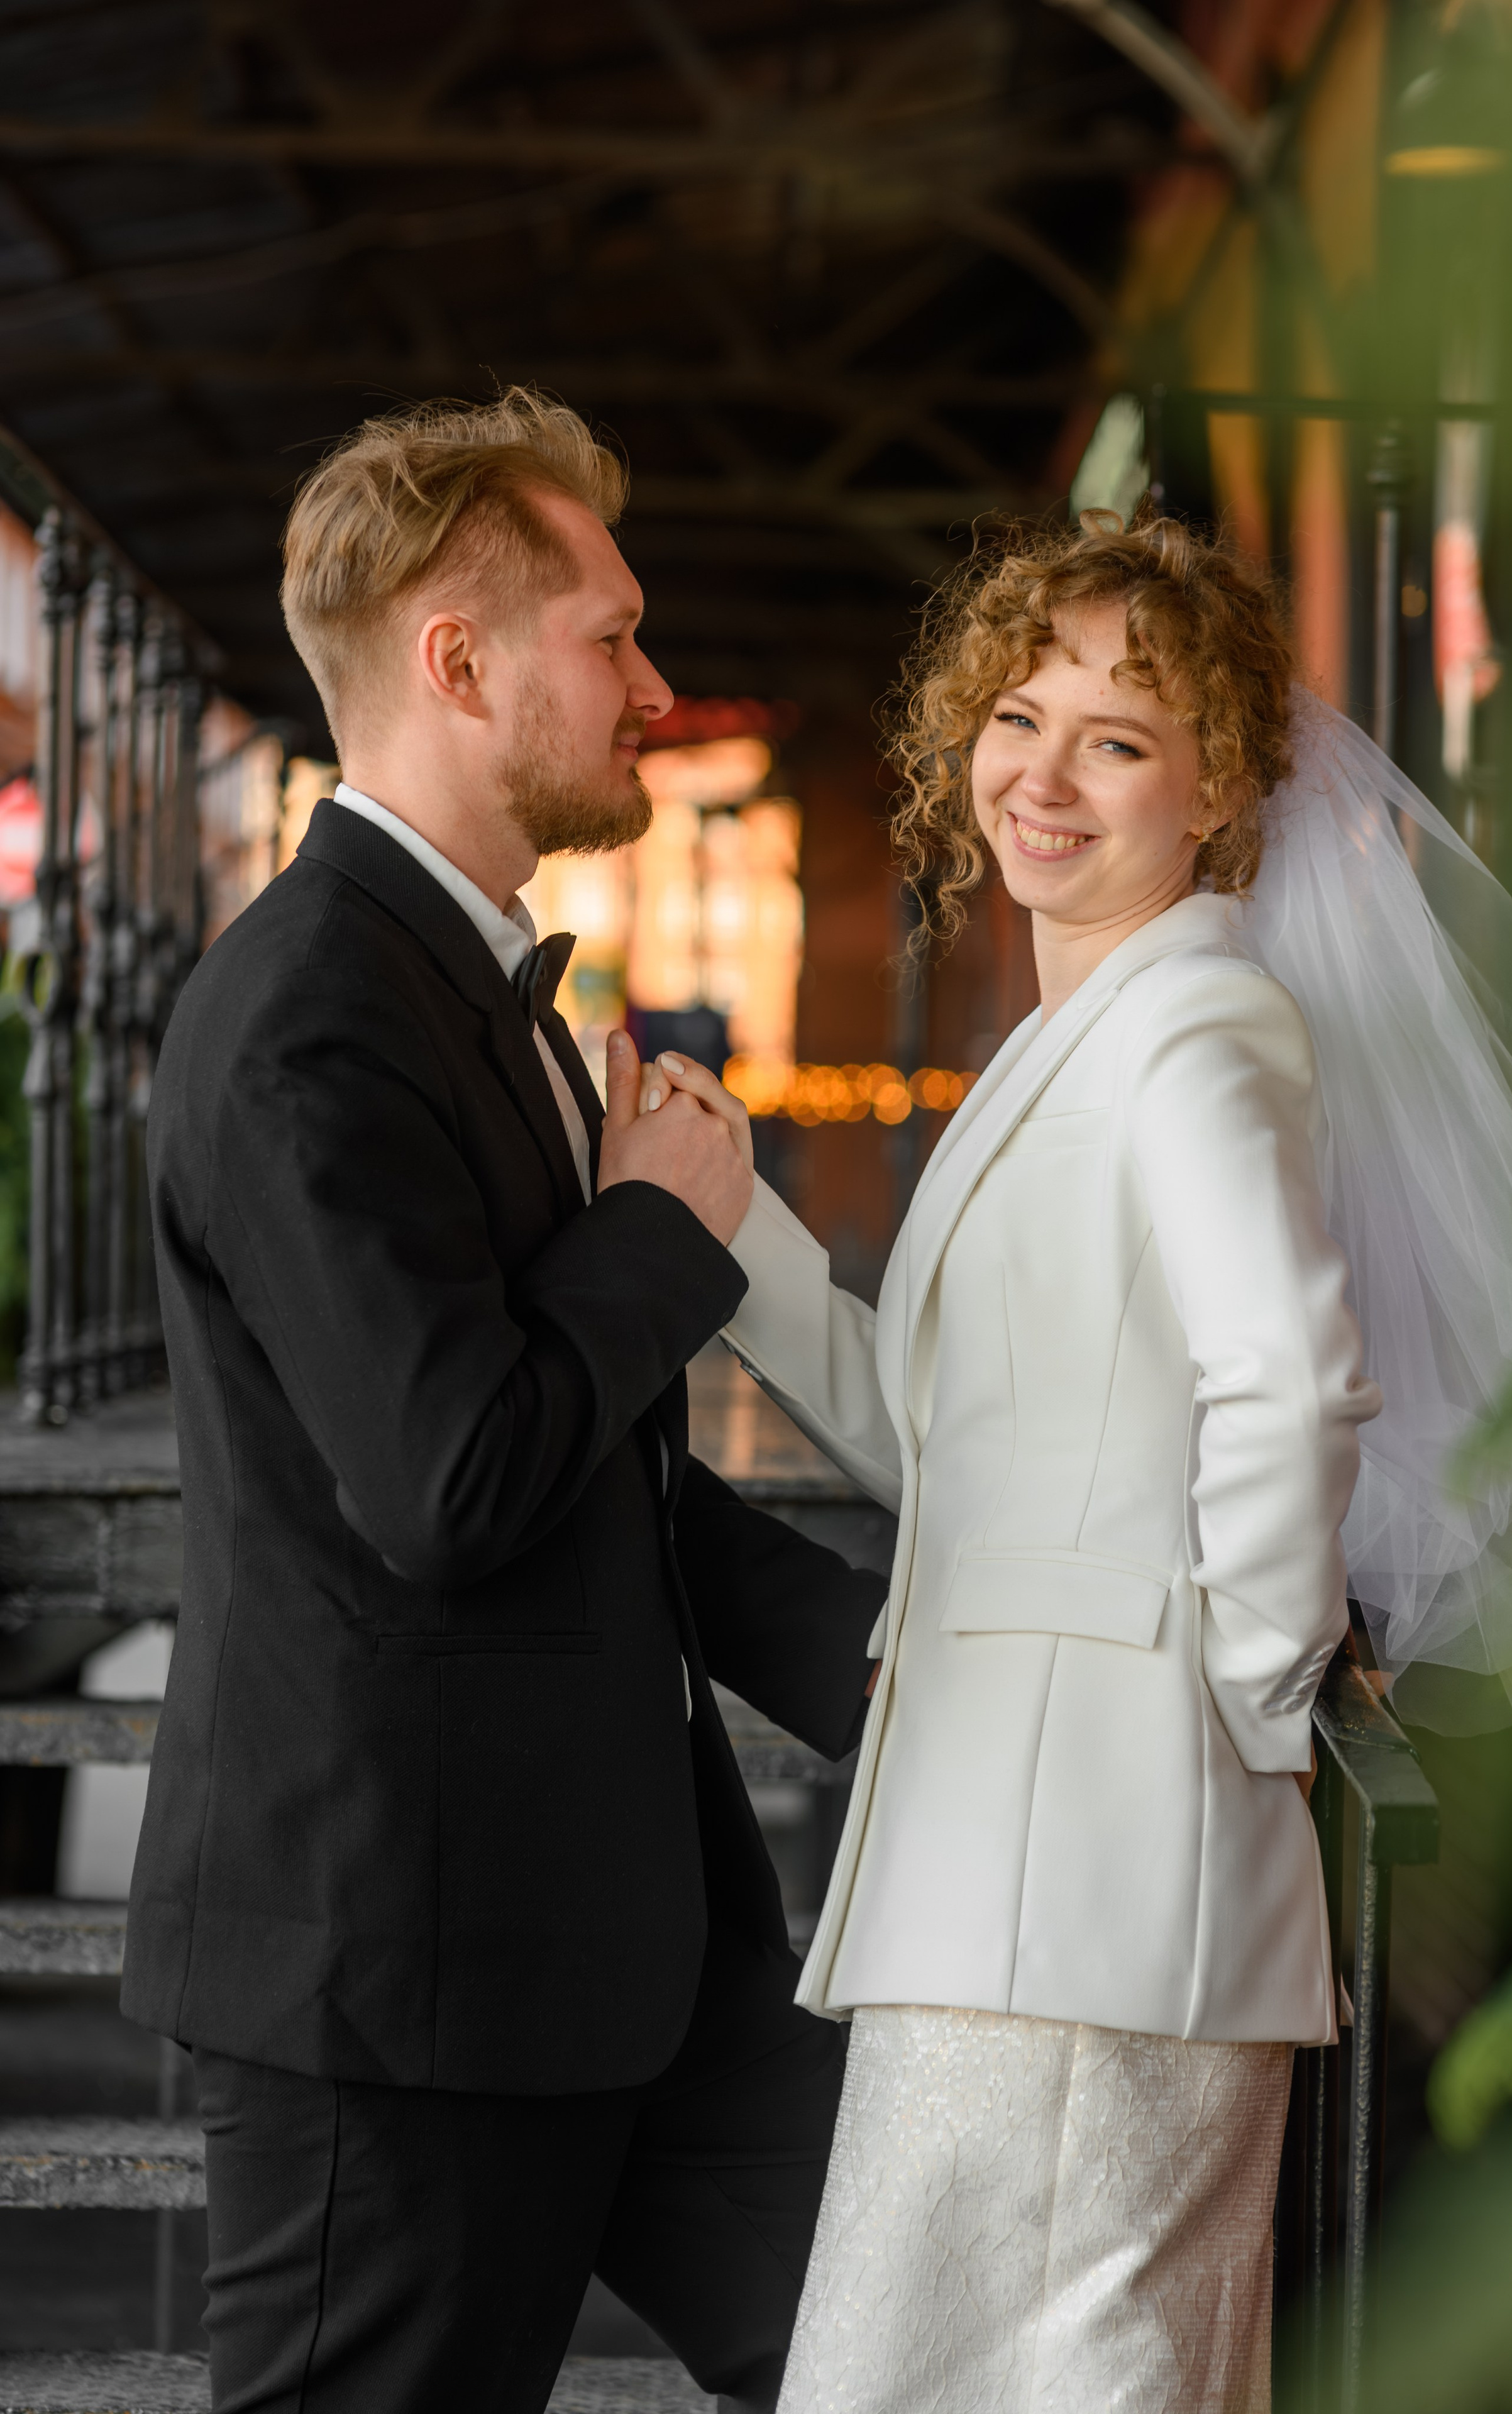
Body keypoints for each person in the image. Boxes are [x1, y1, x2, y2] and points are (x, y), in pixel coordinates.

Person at [647, 506, 1512, 2411]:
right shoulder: (1066, 1040)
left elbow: (1294, 1373)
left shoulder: (1202, 1024)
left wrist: (1239, 1708)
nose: (1043, 778)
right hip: (997, 1867)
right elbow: (963, 1451)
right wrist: (730, 1228)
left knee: (1064, 2373)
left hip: (1110, 1876)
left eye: (1117, 738)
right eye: (1016, 718)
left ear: (1223, 780)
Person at [120, 388, 888, 2414]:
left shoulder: (486, 999)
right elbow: (456, 1478)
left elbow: (606, 1485)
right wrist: (659, 1231)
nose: (651, 684)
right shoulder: (303, 1024)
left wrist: (939, 1676)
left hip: (634, 1939)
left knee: (935, 2346)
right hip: (406, 1963)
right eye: (611, 636)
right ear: (458, 663)